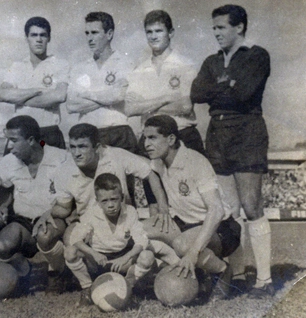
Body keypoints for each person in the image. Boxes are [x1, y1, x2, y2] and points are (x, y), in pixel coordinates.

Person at [190, 5, 273, 297]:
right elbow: (196, 93)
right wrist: (225, 84)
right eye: (214, 28)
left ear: (239, 27)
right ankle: (237, 275)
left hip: (247, 131)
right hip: (217, 133)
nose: (216, 33)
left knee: (251, 206)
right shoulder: (212, 61)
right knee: (229, 210)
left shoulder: (257, 55)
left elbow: (244, 93)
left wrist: (220, 88)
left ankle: (264, 280)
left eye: (221, 27)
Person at [32, 123, 170, 293]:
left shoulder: (115, 155)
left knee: (158, 235)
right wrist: (48, 212)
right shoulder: (64, 170)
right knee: (64, 240)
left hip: (122, 222)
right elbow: (64, 208)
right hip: (90, 227)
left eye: (82, 146)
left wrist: (163, 208)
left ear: (97, 147)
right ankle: (64, 275)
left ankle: (146, 274)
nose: (76, 153)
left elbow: (149, 173)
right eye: (72, 147)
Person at [142, 115, 241, 300]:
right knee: (141, 230)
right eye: (144, 138)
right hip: (186, 225)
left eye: (152, 138)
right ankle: (193, 272)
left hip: (221, 228)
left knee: (183, 245)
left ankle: (223, 270)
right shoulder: (156, 162)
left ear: (171, 139)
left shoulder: (195, 161)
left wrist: (193, 252)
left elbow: (216, 210)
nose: (146, 143)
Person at [0, 115, 68, 288]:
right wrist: (2, 207)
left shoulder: (61, 158)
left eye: (13, 140)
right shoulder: (7, 163)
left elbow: (70, 198)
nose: (9, 146)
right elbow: (7, 191)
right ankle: (24, 268)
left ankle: (57, 270)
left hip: (54, 218)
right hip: (24, 221)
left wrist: (50, 213)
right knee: (3, 246)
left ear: (31, 140)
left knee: (45, 235)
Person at [64, 173, 155, 306]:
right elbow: (75, 238)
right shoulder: (91, 213)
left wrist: (126, 257)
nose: (110, 205)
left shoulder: (130, 212)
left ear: (122, 198)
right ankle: (87, 288)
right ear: (97, 201)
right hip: (97, 260)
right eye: (104, 201)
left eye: (114, 199)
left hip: (121, 259)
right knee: (69, 252)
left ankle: (128, 286)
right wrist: (94, 254)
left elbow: (141, 240)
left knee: (147, 256)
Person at [125, 10, 204, 154]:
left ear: (171, 33)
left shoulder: (185, 65)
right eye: (149, 32)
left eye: (158, 31)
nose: (153, 36)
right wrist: (167, 98)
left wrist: (145, 104)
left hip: (182, 135)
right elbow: (130, 109)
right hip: (150, 139)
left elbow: (185, 106)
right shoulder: (140, 69)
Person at [67, 12, 137, 153]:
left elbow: (118, 96)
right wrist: (107, 96)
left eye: (94, 33)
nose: (89, 38)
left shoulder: (125, 63)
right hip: (88, 135)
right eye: (87, 33)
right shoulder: (79, 68)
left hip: (118, 132)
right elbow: (71, 105)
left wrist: (86, 95)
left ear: (109, 34)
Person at [0, 16, 69, 149]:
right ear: (26, 38)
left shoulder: (60, 64)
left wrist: (18, 98)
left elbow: (59, 96)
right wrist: (35, 91)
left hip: (48, 132)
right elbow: (2, 94)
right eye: (34, 35)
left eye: (43, 35)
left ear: (49, 38)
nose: (38, 39)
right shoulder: (16, 66)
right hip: (20, 134)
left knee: (53, 168)